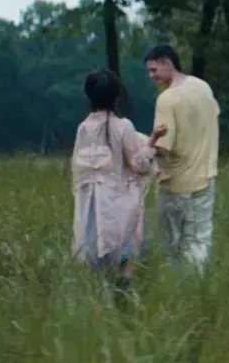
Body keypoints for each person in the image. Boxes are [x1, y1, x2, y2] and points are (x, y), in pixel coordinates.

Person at [70, 69, 167, 290]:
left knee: (97, 261)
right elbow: (139, 164)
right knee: (125, 256)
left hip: (89, 206)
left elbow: (78, 170)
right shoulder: (123, 126)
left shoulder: (83, 129)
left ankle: (101, 303)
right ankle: (122, 299)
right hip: (116, 203)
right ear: (116, 97)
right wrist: (153, 141)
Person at [144, 44, 220, 275]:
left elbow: (163, 149)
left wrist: (142, 145)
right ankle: (196, 291)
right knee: (199, 239)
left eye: (154, 70)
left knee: (173, 247)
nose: (152, 76)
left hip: (174, 185)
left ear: (168, 63)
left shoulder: (167, 100)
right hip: (206, 178)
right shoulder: (203, 87)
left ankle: (180, 291)